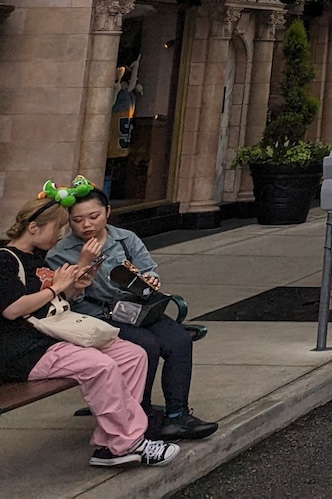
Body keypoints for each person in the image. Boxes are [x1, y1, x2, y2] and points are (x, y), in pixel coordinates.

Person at [4, 192, 178, 469]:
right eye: (58, 228)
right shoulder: (6, 260)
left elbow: (55, 301)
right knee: (100, 366)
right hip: (24, 350)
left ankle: (111, 444)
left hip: (53, 336)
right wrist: (57, 287)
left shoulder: (37, 258)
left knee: (132, 355)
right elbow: (13, 309)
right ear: (34, 227)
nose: (60, 236)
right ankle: (128, 443)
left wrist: (76, 286)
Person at [51, 188, 216, 440]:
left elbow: (148, 268)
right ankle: (142, 417)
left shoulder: (125, 239)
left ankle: (178, 415)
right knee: (145, 346)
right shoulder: (61, 253)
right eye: (77, 220)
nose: (86, 225)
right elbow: (64, 299)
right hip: (97, 317)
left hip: (135, 309)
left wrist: (150, 279)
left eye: (94, 216)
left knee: (179, 340)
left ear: (107, 212)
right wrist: (83, 263)